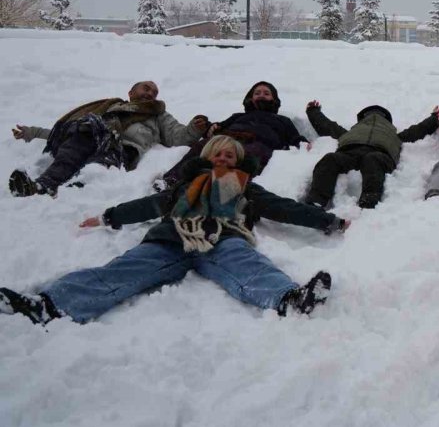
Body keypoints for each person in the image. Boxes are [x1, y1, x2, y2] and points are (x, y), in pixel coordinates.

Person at [0, 136, 348, 326]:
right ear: (208, 156)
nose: (224, 159)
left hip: (222, 239)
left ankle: (289, 299)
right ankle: (48, 305)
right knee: (124, 269)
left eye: (231, 155)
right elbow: (148, 206)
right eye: (218, 154)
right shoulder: (183, 188)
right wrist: (109, 216)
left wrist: (328, 221)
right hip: (170, 239)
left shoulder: (246, 188)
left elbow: (285, 208)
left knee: (248, 264)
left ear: (239, 161)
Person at [9, 80, 207, 197]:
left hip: (122, 149)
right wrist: (32, 132)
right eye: (145, 88)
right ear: (130, 93)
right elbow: (66, 130)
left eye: (154, 92)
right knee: (78, 138)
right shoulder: (109, 107)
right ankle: (43, 185)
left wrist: (194, 128)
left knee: (98, 166)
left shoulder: (158, 115)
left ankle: (74, 194)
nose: (150, 93)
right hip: (93, 137)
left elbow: (177, 136)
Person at [159, 81, 307, 188]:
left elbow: (295, 138)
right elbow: (218, 127)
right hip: (230, 138)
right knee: (203, 146)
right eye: (257, 93)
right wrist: (210, 127)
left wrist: (303, 143)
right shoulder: (238, 116)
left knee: (250, 156)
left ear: (274, 100)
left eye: (266, 93)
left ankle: (225, 188)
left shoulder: (282, 120)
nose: (261, 95)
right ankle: (172, 179)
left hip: (259, 143)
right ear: (250, 98)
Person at [305, 102, 438, 209]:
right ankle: (316, 202)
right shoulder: (352, 132)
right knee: (330, 159)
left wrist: (435, 118)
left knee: (372, 159)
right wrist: (313, 111)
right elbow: (328, 127)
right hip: (349, 151)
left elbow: (417, 130)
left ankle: (368, 203)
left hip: (380, 154)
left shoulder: (394, 135)